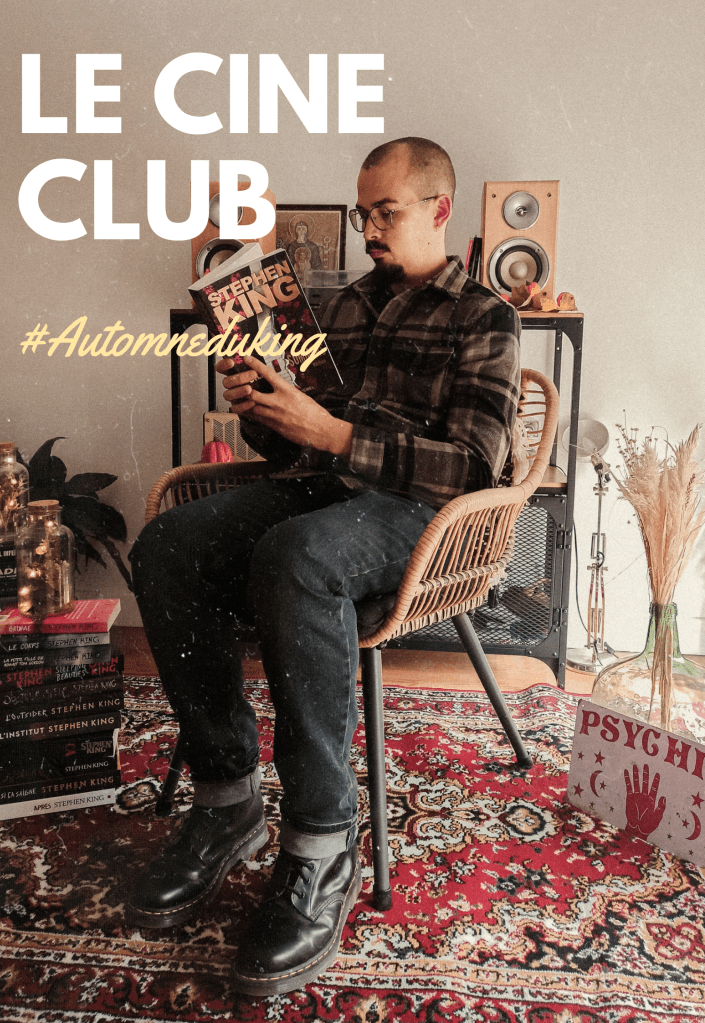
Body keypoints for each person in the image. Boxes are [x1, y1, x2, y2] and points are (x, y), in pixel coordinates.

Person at [127, 137, 521, 997]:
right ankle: (226, 799)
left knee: (296, 554)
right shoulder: (339, 307)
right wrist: (261, 407)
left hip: (416, 513)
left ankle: (321, 840)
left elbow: (472, 468)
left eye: (386, 211)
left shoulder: (484, 318)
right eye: (361, 211)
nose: (369, 227)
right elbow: (292, 443)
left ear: (438, 210)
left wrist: (333, 434)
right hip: (317, 490)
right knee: (166, 544)